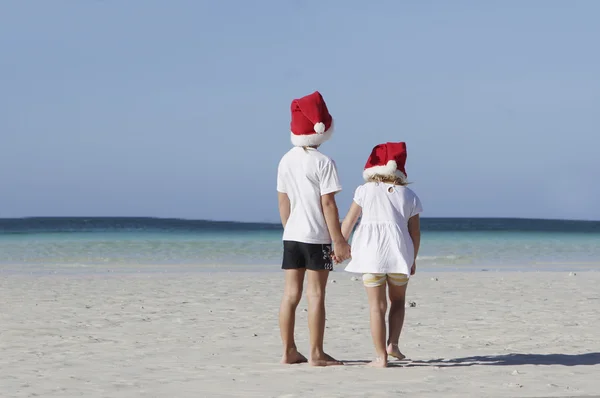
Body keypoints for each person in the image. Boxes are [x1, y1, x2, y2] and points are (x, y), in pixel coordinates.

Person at [276, 91, 351, 366]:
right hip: (317, 236)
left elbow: (283, 200)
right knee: (316, 294)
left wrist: (289, 229)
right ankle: (317, 353)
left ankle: (288, 351)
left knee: (290, 295)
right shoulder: (324, 162)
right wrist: (339, 240)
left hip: (291, 235)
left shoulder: (285, 160)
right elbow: (328, 204)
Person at [339, 142, 422, 368]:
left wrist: (340, 246)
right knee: (398, 300)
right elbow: (414, 232)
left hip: (370, 256)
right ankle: (392, 344)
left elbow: (349, 221)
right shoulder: (409, 195)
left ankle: (380, 357)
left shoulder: (364, 191)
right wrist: (412, 258)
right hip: (399, 254)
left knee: (377, 307)